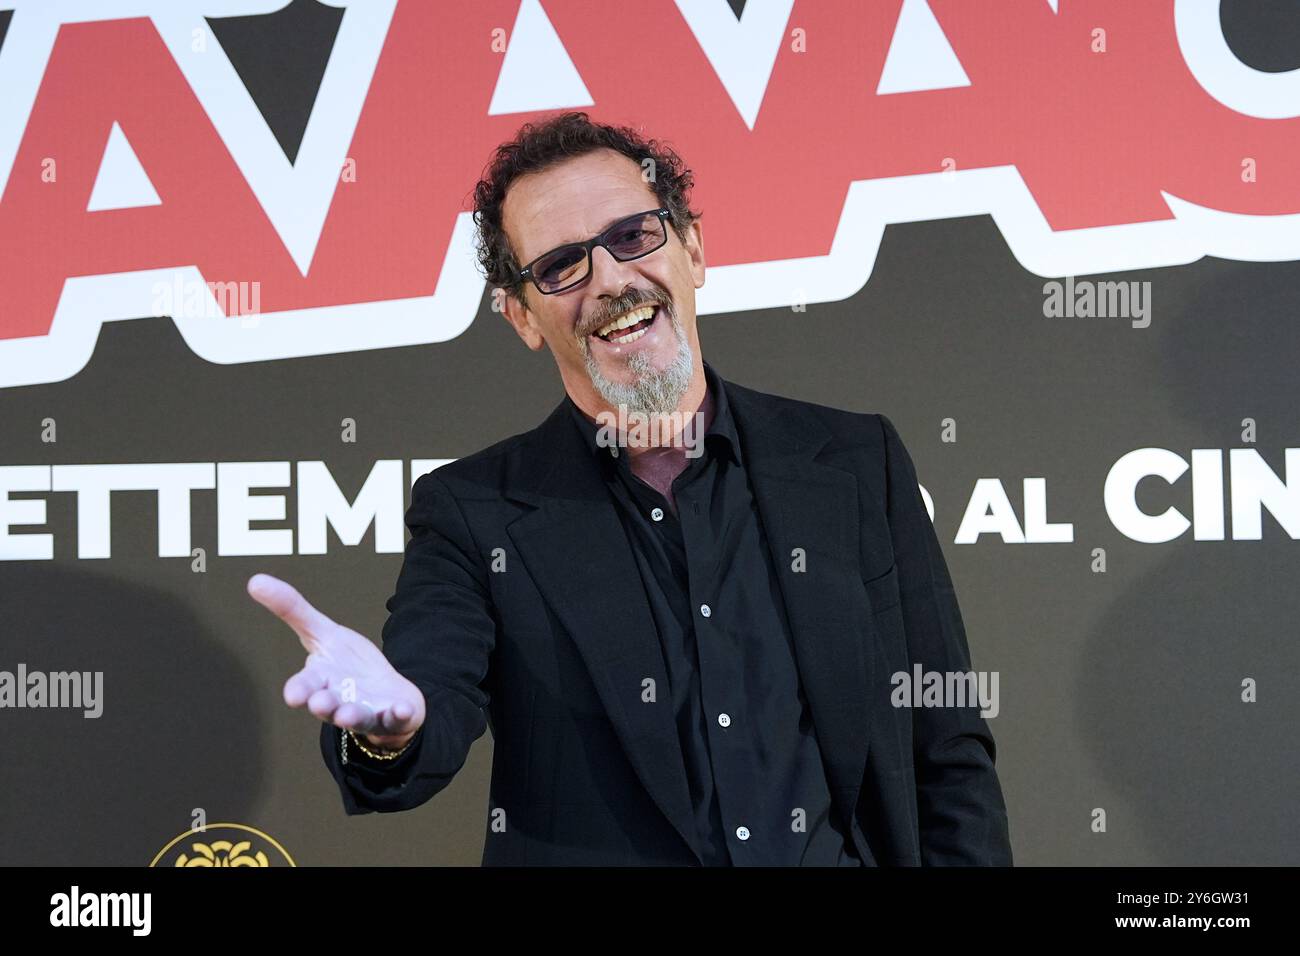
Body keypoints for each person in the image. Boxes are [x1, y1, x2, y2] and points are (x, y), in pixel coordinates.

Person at [247, 111, 1012, 866]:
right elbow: (429, 699)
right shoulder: (475, 513)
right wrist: (391, 731)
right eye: (560, 266)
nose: (610, 279)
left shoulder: (853, 461)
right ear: (522, 316)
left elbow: (943, 741)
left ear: (693, 248)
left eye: (632, 236)